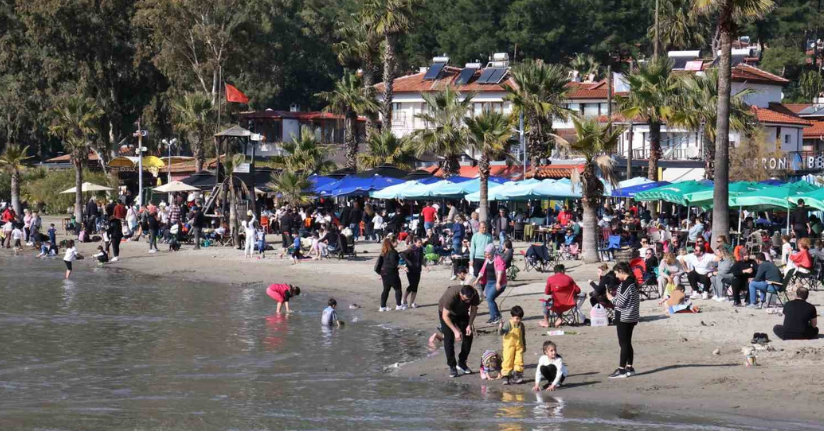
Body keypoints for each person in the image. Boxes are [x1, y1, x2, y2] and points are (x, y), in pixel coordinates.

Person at [438, 285, 480, 377]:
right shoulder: (451, 295)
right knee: (449, 339)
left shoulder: (474, 294)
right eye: (465, 300)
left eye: (469, 300)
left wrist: (469, 324)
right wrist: (455, 331)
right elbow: (445, 316)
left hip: (462, 313)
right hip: (447, 314)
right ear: (461, 294)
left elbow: (473, 310)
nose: (468, 301)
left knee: (469, 335)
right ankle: (452, 366)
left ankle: (462, 362)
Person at [607, 261, 640, 379]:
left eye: (616, 273)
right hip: (632, 316)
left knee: (623, 343)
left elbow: (619, 303)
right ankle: (629, 367)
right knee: (627, 342)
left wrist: (611, 298)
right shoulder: (633, 282)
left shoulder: (625, 284)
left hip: (624, 316)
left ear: (621, 271)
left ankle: (621, 369)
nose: (616, 276)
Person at [473, 244, 507, 324]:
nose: (487, 256)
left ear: (493, 252)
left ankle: (497, 316)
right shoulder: (487, 260)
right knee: (488, 298)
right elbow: (482, 270)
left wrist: (498, 283)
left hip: (498, 282)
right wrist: (477, 280)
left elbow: (500, 272)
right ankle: (493, 317)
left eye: (488, 254)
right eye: (486, 254)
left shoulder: (498, 259)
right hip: (489, 282)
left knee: (490, 298)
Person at [498, 306, 526, 385]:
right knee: (508, 360)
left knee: (519, 360)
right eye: (516, 318)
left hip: (519, 346)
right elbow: (501, 333)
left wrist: (524, 345)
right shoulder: (508, 324)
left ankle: (517, 375)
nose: (518, 320)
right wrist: (500, 327)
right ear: (512, 317)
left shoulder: (522, 325)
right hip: (508, 347)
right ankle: (506, 376)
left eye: (520, 318)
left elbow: (523, 336)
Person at [375, 237, 403, 312]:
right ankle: (399, 305)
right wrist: (402, 267)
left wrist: (380, 274)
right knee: (398, 289)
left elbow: (381, 263)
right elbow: (394, 263)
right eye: (396, 241)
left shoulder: (384, 252)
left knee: (386, 290)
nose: (397, 243)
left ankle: (382, 307)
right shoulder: (393, 252)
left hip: (383, 272)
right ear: (391, 243)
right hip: (391, 272)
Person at [401, 237, 424, 309]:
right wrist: (407, 262)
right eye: (419, 243)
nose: (420, 244)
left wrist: (426, 266)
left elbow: (422, 259)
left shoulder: (421, 249)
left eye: (421, 243)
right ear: (415, 242)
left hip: (418, 270)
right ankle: (404, 300)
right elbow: (402, 254)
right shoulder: (411, 249)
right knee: (412, 285)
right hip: (410, 270)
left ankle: (412, 302)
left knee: (415, 286)